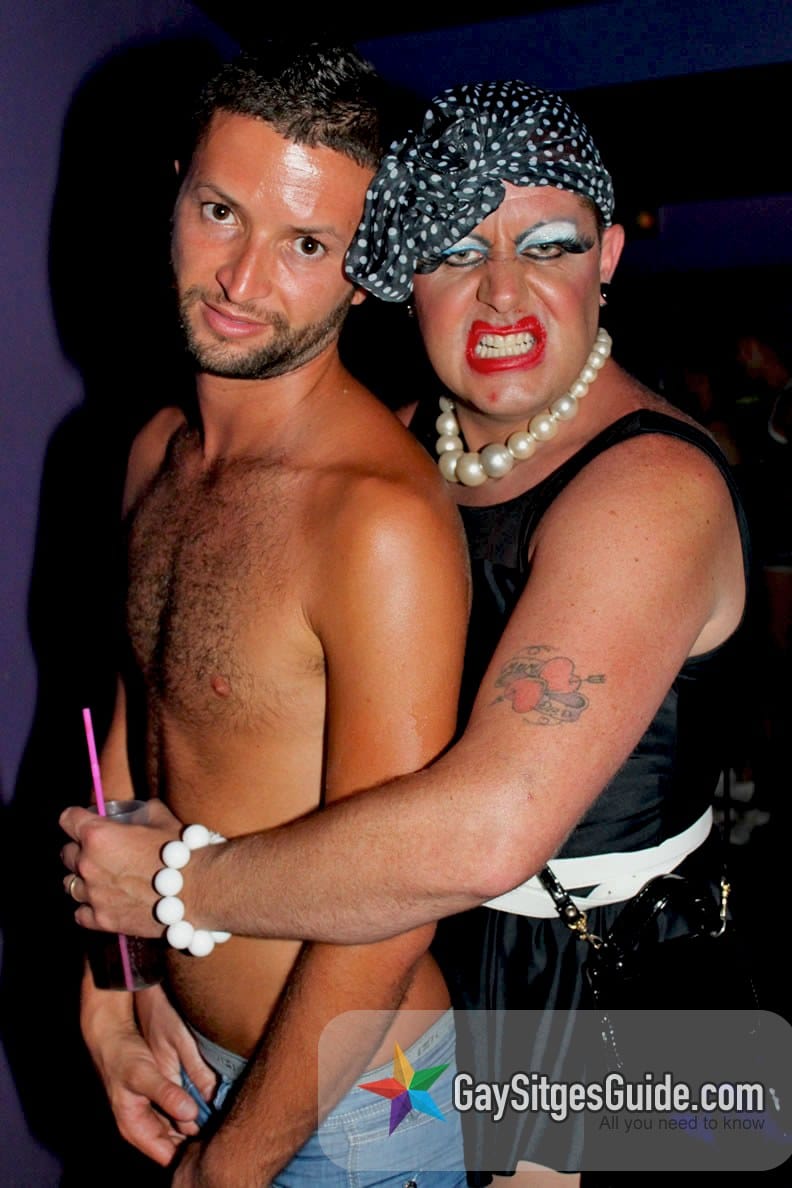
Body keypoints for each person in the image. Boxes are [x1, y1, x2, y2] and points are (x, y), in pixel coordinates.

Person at [62, 80, 754, 1181]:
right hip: (420, 987)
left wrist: (172, 890)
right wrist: (125, 970)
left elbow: (486, 831)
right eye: (454, 250)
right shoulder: (392, 450)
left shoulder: (651, 493)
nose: (502, 292)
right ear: (400, 278)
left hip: (608, 1006)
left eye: (550, 245)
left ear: (611, 257)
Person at [60, 41, 472, 1188]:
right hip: (187, 1056)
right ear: (176, 193)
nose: (242, 280)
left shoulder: (376, 522)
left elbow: (396, 901)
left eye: (306, 244)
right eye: (219, 213)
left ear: (363, 270)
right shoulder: (155, 453)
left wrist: (232, 1164)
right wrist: (116, 988)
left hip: (357, 1110)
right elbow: (137, 736)